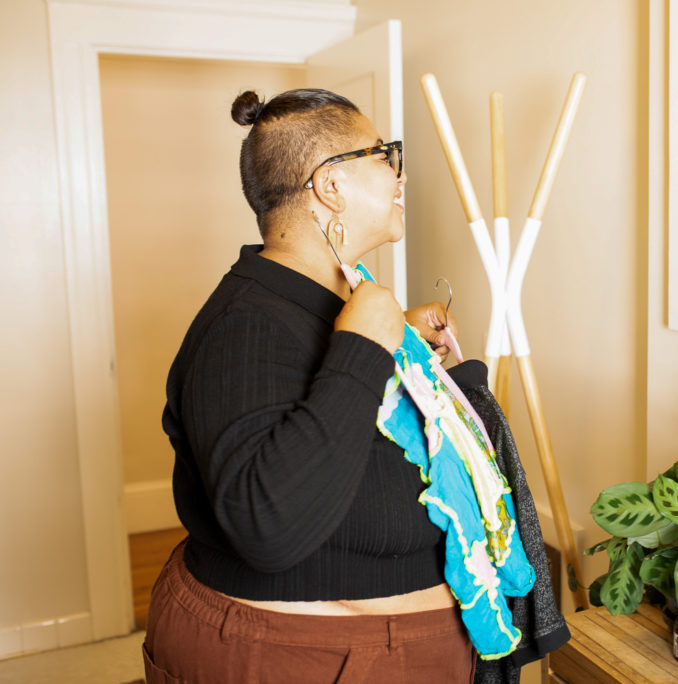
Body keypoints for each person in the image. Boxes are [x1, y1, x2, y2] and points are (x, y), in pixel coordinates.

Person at [143, 87, 555, 683]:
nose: (399, 175)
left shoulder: (332, 298)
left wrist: (399, 348)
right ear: (330, 184)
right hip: (296, 660)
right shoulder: (242, 329)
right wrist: (362, 351)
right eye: (385, 155)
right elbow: (269, 525)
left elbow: (339, 418)